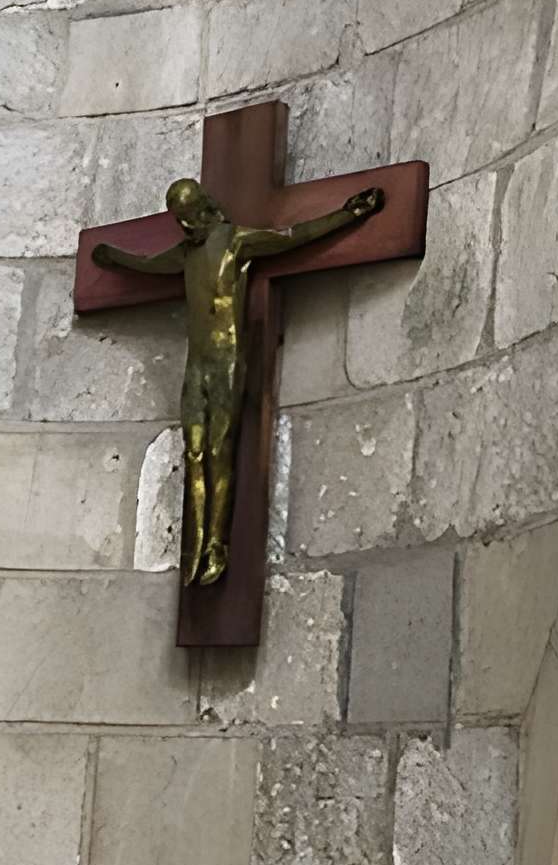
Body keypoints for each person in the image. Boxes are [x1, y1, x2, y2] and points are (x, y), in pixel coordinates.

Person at [94, 178, 386, 586]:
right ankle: (193, 546)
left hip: (228, 360)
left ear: (205, 207)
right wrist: (113, 257)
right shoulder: (184, 255)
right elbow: (147, 265)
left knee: (219, 449)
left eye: (190, 215)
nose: (186, 226)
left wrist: (348, 214)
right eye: (179, 220)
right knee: (194, 451)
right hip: (196, 367)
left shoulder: (234, 241)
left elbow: (292, 237)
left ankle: (217, 545)